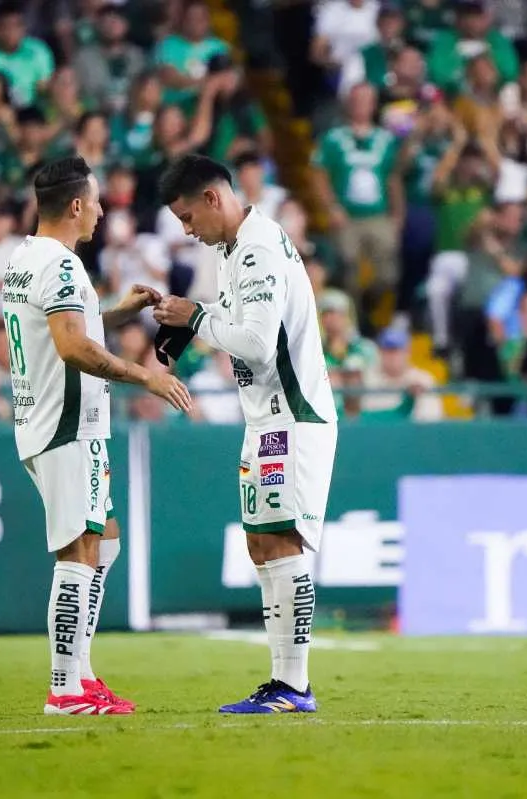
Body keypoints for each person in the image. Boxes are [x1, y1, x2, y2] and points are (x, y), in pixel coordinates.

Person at [2, 156, 191, 716]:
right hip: (65, 424)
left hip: (53, 422)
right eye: (98, 200)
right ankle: (64, 688)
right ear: (77, 205)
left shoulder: (26, 256)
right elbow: (70, 346)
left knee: (102, 540)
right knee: (79, 551)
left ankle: (82, 675)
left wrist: (117, 312)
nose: (103, 210)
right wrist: (145, 376)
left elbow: (66, 324)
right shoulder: (61, 266)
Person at [154, 154, 338, 714]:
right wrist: (195, 318)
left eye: (188, 217)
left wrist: (194, 318)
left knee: (282, 543)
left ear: (214, 198)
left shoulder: (256, 247)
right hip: (264, 417)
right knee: (262, 545)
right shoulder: (238, 249)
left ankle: (294, 686)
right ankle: (284, 683)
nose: (187, 231)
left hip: (292, 416)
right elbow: (248, 326)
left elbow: (257, 344)